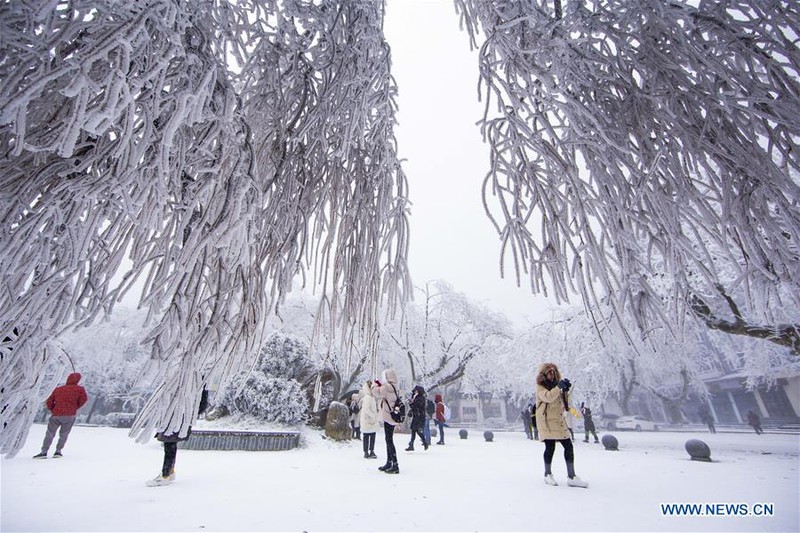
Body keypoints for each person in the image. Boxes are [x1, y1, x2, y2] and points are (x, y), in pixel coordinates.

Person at [535, 362, 588, 488]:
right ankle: (547, 474)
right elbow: (548, 397)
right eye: (549, 372)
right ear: (544, 374)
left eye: (554, 372)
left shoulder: (556, 386)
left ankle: (571, 476)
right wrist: (558, 388)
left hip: (558, 421)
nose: (552, 375)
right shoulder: (540, 387)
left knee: (568, 446)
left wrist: (565, 390)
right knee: (550, 447)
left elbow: (564, 403)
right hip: (546, 421)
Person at [147, 386, 208, 487]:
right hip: (176, 413)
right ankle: (169, 472)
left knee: (169, 442)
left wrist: (191, 413)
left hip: (179, 414)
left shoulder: (193, 379)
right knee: (169, 443)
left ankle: (166, 475)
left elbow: (201, 400)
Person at [33, 372, 88, 459]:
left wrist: (53, 409)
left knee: (50, 433)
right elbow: (84, 400)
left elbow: (49, 401)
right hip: (70, 415)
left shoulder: (58, 389)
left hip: (56, 414)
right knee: (64, 434)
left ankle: (44, 452)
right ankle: (58, 451)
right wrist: (75, 407)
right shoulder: (80, 389)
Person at [375, 368, 402, 474]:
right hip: (392, 416)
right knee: (388, 439)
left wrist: (374, 384)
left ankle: (394, 464)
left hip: (388, 416)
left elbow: (376, 391)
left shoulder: (386, 387)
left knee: (389, 440)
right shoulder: (395, 387)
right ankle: (389, 462)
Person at [359, 380, 380, 459]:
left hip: (372, 421)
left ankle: (371, 450)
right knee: (366, 436)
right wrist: (373, 415)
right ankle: (366, 452)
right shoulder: (367, 397)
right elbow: (366, 409)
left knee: (372, 435)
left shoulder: (372, 397)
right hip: (367, 420)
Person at [406, 385, 429, 451]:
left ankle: (424, 442)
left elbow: (417, 406)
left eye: (416, 390)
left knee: (417, 430)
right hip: (416, 416)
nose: (415, 391)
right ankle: (411, 445)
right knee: (413, 430)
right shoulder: (416, 397)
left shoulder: (421, 398)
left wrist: (411, 403)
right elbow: (414, 405)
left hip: (420, 417)